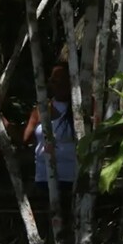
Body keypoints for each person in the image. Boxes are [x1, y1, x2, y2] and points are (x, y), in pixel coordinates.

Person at [23, 64, 77, 193]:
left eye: (61, 81)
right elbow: (25, 138)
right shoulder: (42, 109)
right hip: (44, 179)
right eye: (53, 81)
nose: (57, 85)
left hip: (74, 178)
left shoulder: (83, 107)